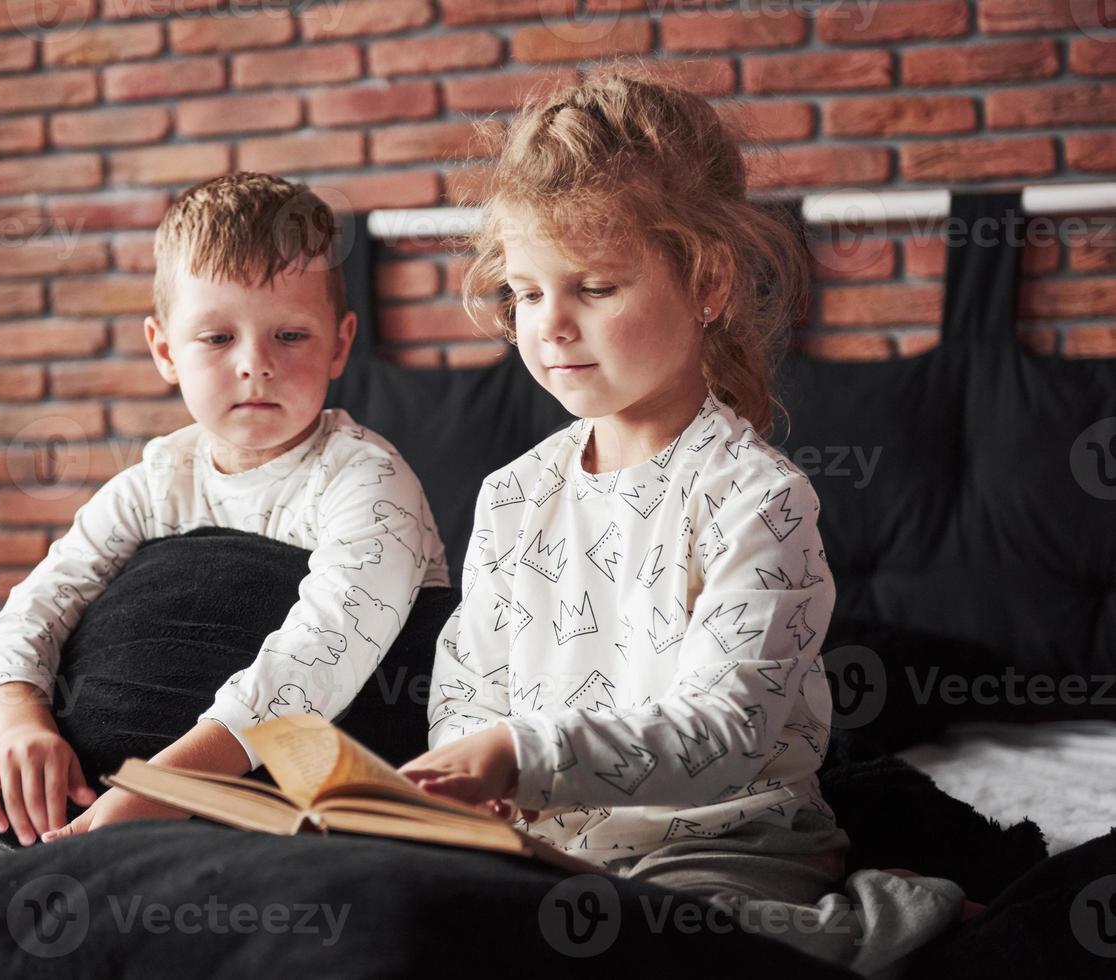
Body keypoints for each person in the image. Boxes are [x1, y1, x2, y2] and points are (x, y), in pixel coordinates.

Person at [398, 64, 967, 973]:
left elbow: (728, 732)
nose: (551, 326)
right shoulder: (511, 495)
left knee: (664, 949)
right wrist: (473, 773)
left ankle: (889, 914)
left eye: (593, 287)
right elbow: (470, 676)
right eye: (529, 292)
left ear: (706, 282)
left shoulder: (758, 499)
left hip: (724, 844)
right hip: (552, 846)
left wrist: (521, 753)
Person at [0, 172, 449, 847]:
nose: (255, 365)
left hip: (309, 794)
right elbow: (32, 610)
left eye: (290, 336)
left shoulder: (366, 478)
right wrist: (20, 727)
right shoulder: (157, 482)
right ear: (165, 350)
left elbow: (319, 654)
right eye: (218, 339)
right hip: (130, 789)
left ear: (340, 343)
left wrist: (166, 788)